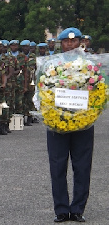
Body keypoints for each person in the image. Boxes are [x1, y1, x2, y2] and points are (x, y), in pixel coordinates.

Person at [46, 27, 94, 223]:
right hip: (58, 122)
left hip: (83, 122)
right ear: (61, 44)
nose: (70, 45)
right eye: (66, 41)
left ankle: (78, 209)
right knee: (57, 166)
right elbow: (43, 88)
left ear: (80, 42)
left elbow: (99, 89)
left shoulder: (90, 64)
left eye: (74, 41)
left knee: (82, 166)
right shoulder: (51, 64)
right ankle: (61, 210)